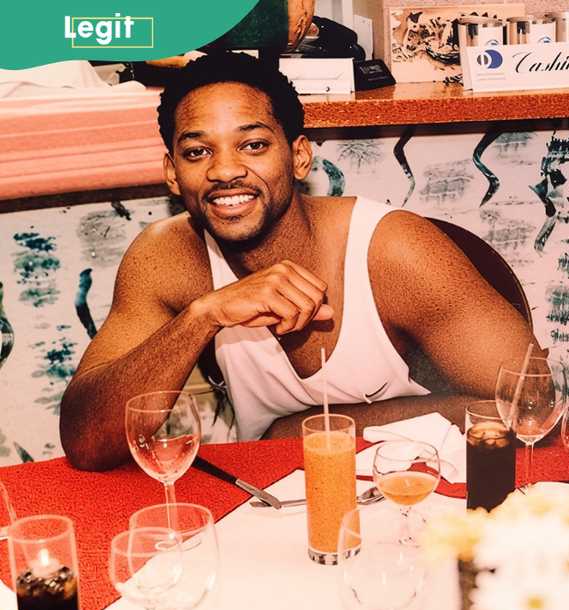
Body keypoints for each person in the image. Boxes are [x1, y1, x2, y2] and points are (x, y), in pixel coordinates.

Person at [59, 52, 539, 471]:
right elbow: (88, 444)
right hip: (276, 506)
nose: (224, 170)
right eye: (197, 151)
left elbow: (532, 407)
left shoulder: (392, 250)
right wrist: (203, 315)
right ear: (171, 173)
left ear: (299, 157)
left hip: (420, 492)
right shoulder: (167, 258)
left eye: (253, 145)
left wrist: (301, 430)